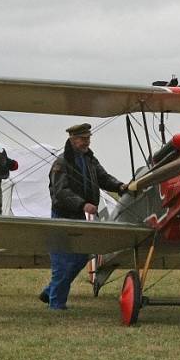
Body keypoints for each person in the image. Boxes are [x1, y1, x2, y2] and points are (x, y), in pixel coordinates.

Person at [39, 123, 128, 311]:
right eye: (82, 139)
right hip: (62, 216)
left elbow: (103, 178)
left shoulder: (89, 159)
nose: (86, 142)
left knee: (81, 258)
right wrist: (82, 204)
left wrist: (120, 186)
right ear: (72, 140)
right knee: (62, 263)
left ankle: (50, 291)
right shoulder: (61, 163)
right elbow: (60, 192)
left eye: (88, 138)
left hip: (79, 216)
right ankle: (56, 306)